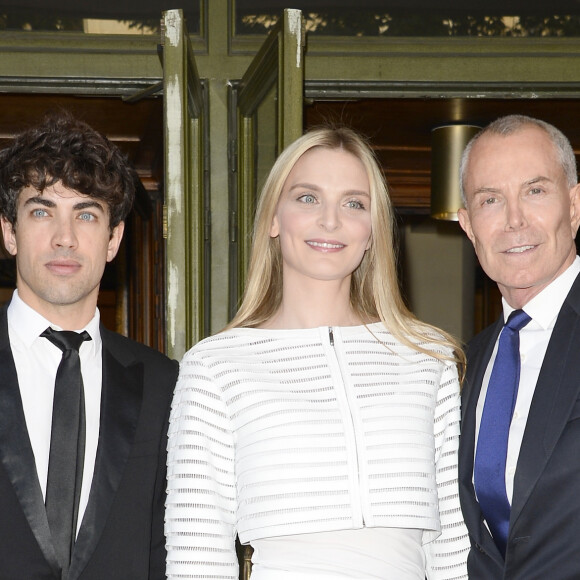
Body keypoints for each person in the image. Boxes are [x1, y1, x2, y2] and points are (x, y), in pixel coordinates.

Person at [165, 126, 469, 580]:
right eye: (308, 198)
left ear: (372, 231)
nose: (330, 221)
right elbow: (197, 555)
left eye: (353, 203)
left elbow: (453, 546)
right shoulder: (215, 366)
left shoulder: (429, 358)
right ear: (274, 219)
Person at [0, 111, 179, 580]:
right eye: (41, 211)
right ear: (8, 231)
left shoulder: (166, 386)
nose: (65, 238)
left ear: (114, 238)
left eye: (86, 214)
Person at [457, 114, 580, 578]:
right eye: (491, 200)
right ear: (468, 225)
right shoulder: (464, 365)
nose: (513, 220)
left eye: (535, 190)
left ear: (574, 205)